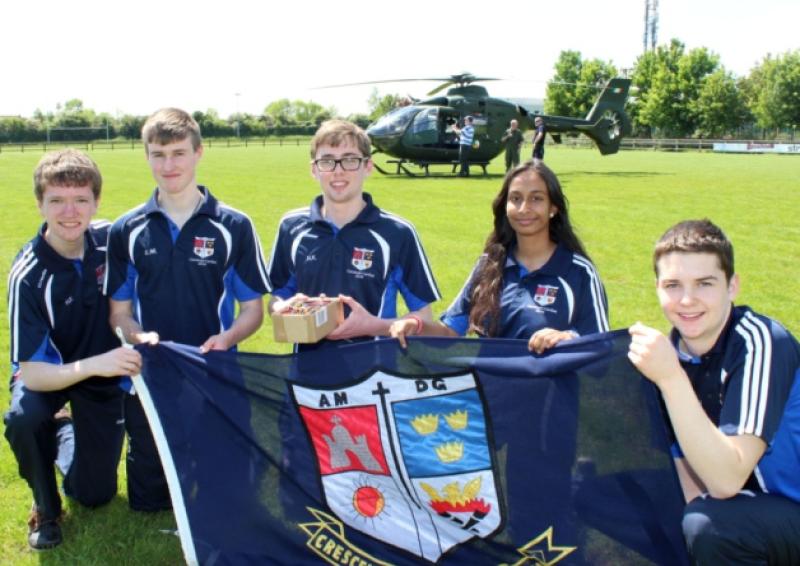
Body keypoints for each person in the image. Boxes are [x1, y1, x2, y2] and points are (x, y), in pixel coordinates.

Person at [105, 108, 270, 512]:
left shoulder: (234, 225)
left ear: (199, 152)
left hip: (213, 370)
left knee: (231, 493)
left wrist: (229, 337)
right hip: (149, 373)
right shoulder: (126, 229)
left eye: (178, 153)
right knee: (150, 502)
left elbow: (253, 309)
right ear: (146, 156)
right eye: (158, 154)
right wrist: (138, 337)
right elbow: (118, 313)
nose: (168, 165)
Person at [628, 219, 800, 565]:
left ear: (732, 286)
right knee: (607, 493)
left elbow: (725, 481)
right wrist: (571, 352)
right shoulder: (674, 352)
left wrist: (672, 379)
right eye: (673, 285)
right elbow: (687, 479)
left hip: (788, 506)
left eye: (705, 284)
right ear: (657, 288)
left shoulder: (760, 341)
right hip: (749, 508)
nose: (687, 300)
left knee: (710, 526)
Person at [4, 149, 142, 550]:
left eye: (81, 199)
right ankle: (46, 509)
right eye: (57, 201)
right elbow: (31, 373)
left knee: (94, 495)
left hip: (103, 377)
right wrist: (98, 363)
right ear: (39, 204)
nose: (70, 212)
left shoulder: (111, 241)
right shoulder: (28, 275)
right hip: (48, 375)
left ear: (96, 202)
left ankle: (64, 430)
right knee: (24, 419)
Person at [390, 160, 609, 351]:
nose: (524, 208)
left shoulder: (579, 272)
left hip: (551, 397)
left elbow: (602, 345)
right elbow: (449, 332)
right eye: (515, 198)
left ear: (553, 207)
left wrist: (567, 338)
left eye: (536, 198)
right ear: (505, 206)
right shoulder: (490, 265)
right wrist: (416, 325)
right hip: (490, 395)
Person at [267, 119, 441, 348]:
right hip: (306, 375)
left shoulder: (398, 233)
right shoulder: (291, 227)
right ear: (314, 169)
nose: (338, 171)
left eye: (349, 160)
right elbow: (276, 297)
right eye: (327, 161)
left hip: (378, 375)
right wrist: (283, 308)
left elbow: (424, 318)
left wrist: (374, 326)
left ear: (368, 166)